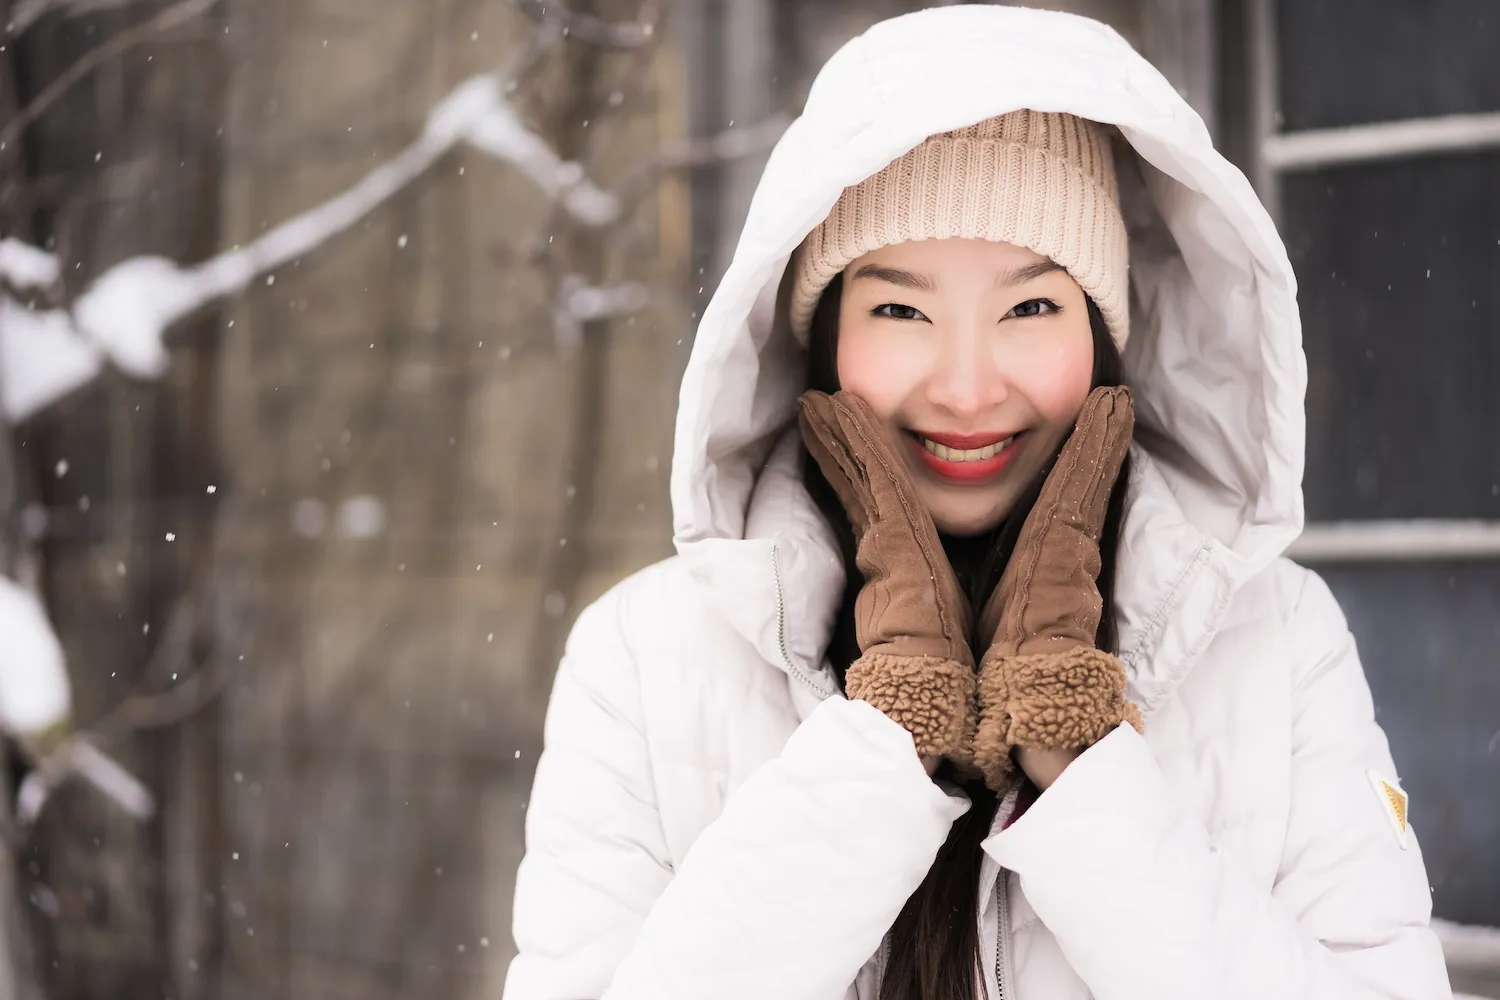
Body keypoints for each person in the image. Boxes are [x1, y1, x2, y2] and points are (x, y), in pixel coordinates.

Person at [502, 6, 1453, 1000]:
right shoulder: (646, 659)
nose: (965, 386)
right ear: (823, 334)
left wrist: (1080, 761)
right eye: (901, 310)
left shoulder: (1278, 643)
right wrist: (887, 738)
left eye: (1031, 307)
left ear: (1101, 332)